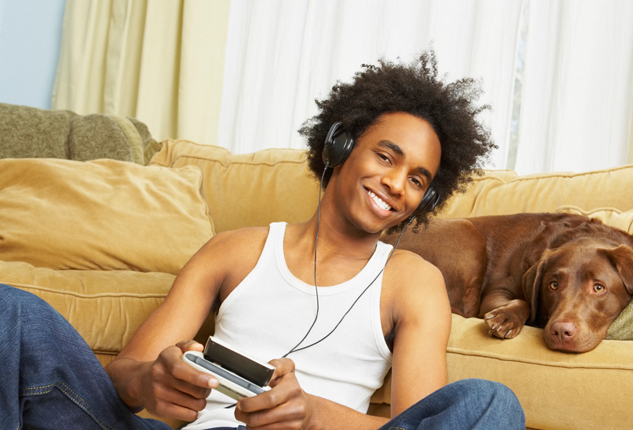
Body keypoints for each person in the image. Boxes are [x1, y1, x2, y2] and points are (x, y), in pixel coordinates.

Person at [2, 51, 525, 429]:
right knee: (11, 314)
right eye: (386, 157)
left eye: (417, 179)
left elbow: (423, 424)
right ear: (340, 146)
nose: (396, 184)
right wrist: (148, 383)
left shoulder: (413, 282)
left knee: (492, 404)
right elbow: (124, 375)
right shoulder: (232, 249)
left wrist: (313, 414)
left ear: (426, 201)